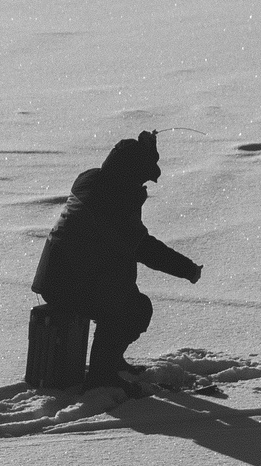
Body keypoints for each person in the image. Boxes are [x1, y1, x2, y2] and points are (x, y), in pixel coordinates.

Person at [31, 132, 202, 388]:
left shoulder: (93, 182)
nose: (144, 183)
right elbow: (143, 248)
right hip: (67, 285)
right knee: (135, 309)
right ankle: (102, 375)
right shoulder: (112, 200)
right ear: (131, 173)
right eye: (142, 176)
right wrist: (187, 269)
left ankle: (111, 361)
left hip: (58, 276)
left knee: (122, 277)